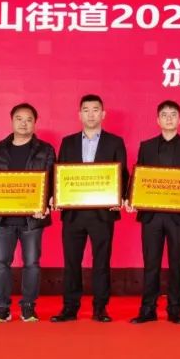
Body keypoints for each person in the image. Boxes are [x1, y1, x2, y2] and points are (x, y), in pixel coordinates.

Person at [52, 94, 129, 323]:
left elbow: (122, 175)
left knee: (101, 262)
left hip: (102, 213)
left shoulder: (115, 142)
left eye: (95, 110)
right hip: (73, 213)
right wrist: (56, 196)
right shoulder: (68, 142)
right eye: (86, 110)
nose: (91, 114)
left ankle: (100, 308)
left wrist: (121, 196)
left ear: (103, 114)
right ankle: (70, 308)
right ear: (79, 115)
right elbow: (59, 173)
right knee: (71, 263)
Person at [0, 103, 55, 323]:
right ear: (12, 121)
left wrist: (46, 204)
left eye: (29, 119)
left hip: (33, 218)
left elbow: (52, 180)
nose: (23, 123)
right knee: (1, 264)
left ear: (35, 123)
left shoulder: (46, 149)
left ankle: (28, 307)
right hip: (4, 219)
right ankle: (2, 308)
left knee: (32, 264)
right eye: (19, 119)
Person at [126, 100, 180, 324]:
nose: (169, 118)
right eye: (164, 115)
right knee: (151, 264)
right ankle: (147, 309)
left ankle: (175, 310)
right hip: (151, 215)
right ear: (157, 120)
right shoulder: (146, 146)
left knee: (177, 264)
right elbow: (138, 176)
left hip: (178, 216)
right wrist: (131, 198)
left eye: (173, 114)